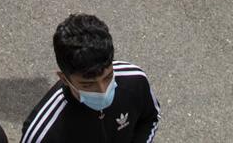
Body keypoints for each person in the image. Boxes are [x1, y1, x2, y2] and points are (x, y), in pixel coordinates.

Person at [21, 13, 161, 143]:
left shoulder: (135, 81)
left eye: (108, 78)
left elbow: (149, 118)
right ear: (64, 79)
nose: (102, 91)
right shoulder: (42, 134)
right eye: (88, 85)